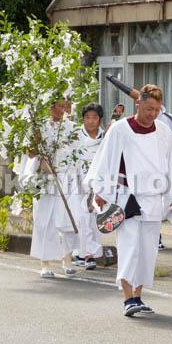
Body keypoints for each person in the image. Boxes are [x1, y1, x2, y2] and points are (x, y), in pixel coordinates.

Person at [86, 84, 172, 317]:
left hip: (153, 198)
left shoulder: (163, 131)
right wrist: (100, 190)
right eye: (149, 108)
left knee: (148, 251)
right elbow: (105, 159)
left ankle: (138, 296)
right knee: (130, 248)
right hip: (126, 197)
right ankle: (127, 298)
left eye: (157, 110)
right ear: (138, 104)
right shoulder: (120, 129)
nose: (153, 114)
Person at [20, 99, 80, 278]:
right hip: (45, 178)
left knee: (70, 219)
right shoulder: (40, 126)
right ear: (51, 107)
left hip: (67, 177)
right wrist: (38, 148)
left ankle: (67, 259)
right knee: (44, 220)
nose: (65, 109)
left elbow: (79, 153)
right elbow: (29, 153)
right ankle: (45, 263)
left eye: (67, 106)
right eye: (61, 106)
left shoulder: (71, 127)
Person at [71, 103, 105, 270]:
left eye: (94, 118)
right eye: (87, 118)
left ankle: (89, 254)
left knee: (93, 219)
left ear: (100, 120)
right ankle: (82, 252)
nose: (90, 121)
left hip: (98, 184)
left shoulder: (106, 138)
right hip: (77, 184)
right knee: (81, 219)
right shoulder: (75, 137)